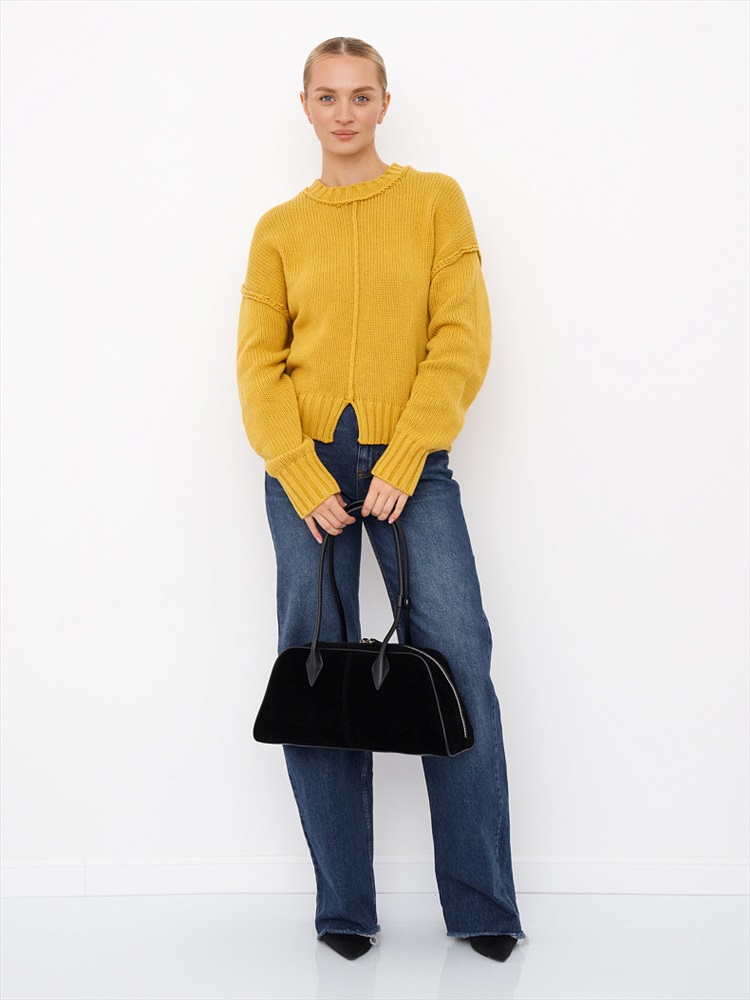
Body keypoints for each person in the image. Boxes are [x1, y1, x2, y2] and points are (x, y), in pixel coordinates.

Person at [236, 36, 527, 963]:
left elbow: (461, 334)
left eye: (361, 95)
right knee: (315, 669)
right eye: (327, 96)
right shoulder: (279, 228)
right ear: (306, 106)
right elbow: (257, 367)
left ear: (385, 104)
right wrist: (299, 470)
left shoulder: (436, 200)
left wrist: (408, 453)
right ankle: (345, 908)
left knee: (461, 657)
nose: (344, 112)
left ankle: (482, 905)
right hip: (306, 473)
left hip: (414, 466)